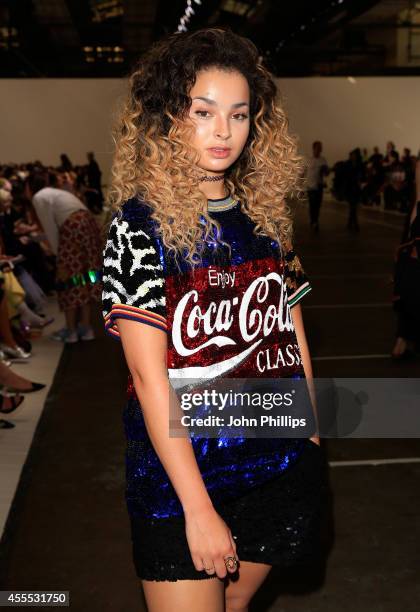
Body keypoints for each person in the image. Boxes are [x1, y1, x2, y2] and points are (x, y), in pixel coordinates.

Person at [101, 28, 327, 612]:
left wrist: (308, 420)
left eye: (239, 114)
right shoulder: (138, 226)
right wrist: (198, 510)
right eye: (203, 112)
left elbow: (291, 323)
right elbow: (150, 381)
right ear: (169, 118)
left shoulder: (266, 218)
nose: (223, 131)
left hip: (273, 458)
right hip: (181, 478)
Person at [25, 173, 103, 343]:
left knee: (69, 280)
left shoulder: (39, 197)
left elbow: (50, 228)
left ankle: (71, 330)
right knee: (86, 277)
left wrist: (57, 255)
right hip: (87, 225)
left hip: (72, 228)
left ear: (29, 187)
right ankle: (86, 326)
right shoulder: (54, 193)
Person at [391, 159, 420, 359]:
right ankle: (402, 343)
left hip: (409, 263)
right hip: (412, 262)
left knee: (407, 302)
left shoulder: (416, 208)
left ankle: (401, 343)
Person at [306, 140, 328, 232]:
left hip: (319, 186)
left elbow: (326, 174)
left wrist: (326, 171)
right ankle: (313, 221)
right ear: (314, 148)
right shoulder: (308, 160)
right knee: (312, 205)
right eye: (319, 147)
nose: (320, 149)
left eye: (321, 147)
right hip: (310, 187)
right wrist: (300, 187)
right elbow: (302, 173)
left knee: (318, 205)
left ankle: (315, 220)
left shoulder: (323, 160)